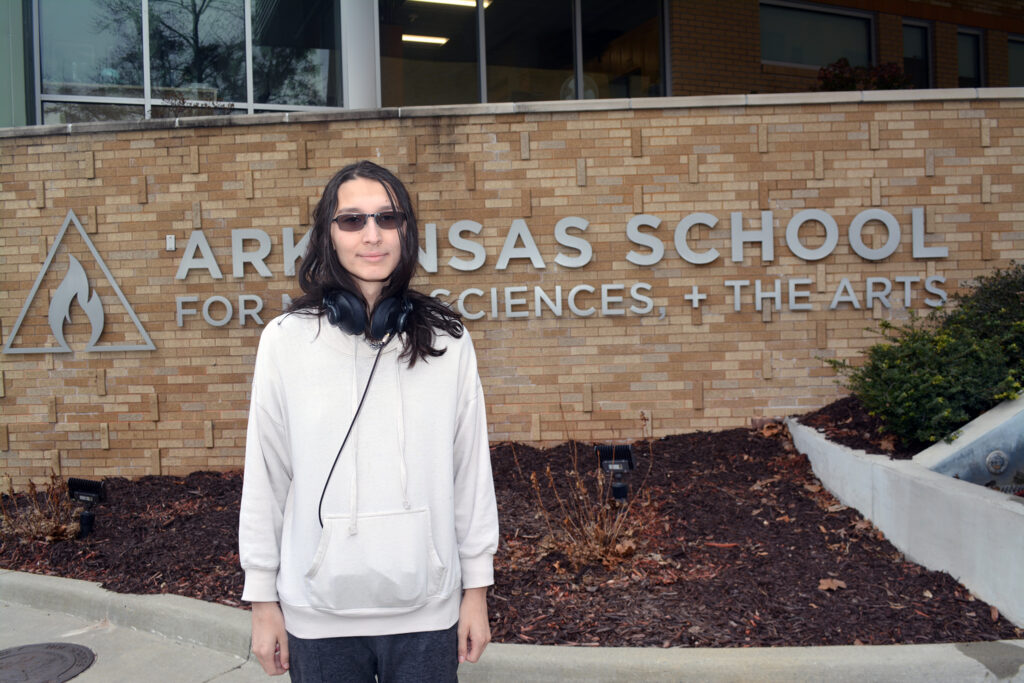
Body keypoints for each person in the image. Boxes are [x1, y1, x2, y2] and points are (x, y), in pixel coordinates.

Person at [238, 160, 499, 682]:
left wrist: (476, 592)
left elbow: (470, 472)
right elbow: (266, 474)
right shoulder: (286, 341)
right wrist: (263, 600)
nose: (372, 235)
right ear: (327, 236)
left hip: (427, 612)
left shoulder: (448, 341)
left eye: (387, 218)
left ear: (406, 231)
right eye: (352, 220)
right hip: (319, 615)